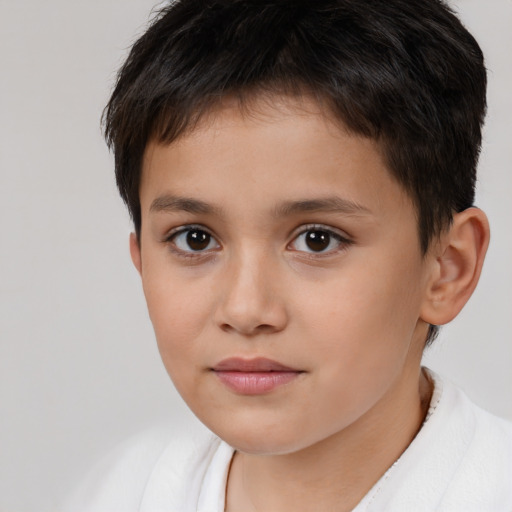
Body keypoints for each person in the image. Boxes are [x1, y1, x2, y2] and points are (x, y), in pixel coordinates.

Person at [66, 0, 512, 510]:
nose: (246, 310)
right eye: (195, 239)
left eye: (317, 239)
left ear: (446, 269)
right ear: (142, 258)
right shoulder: (121, 491)